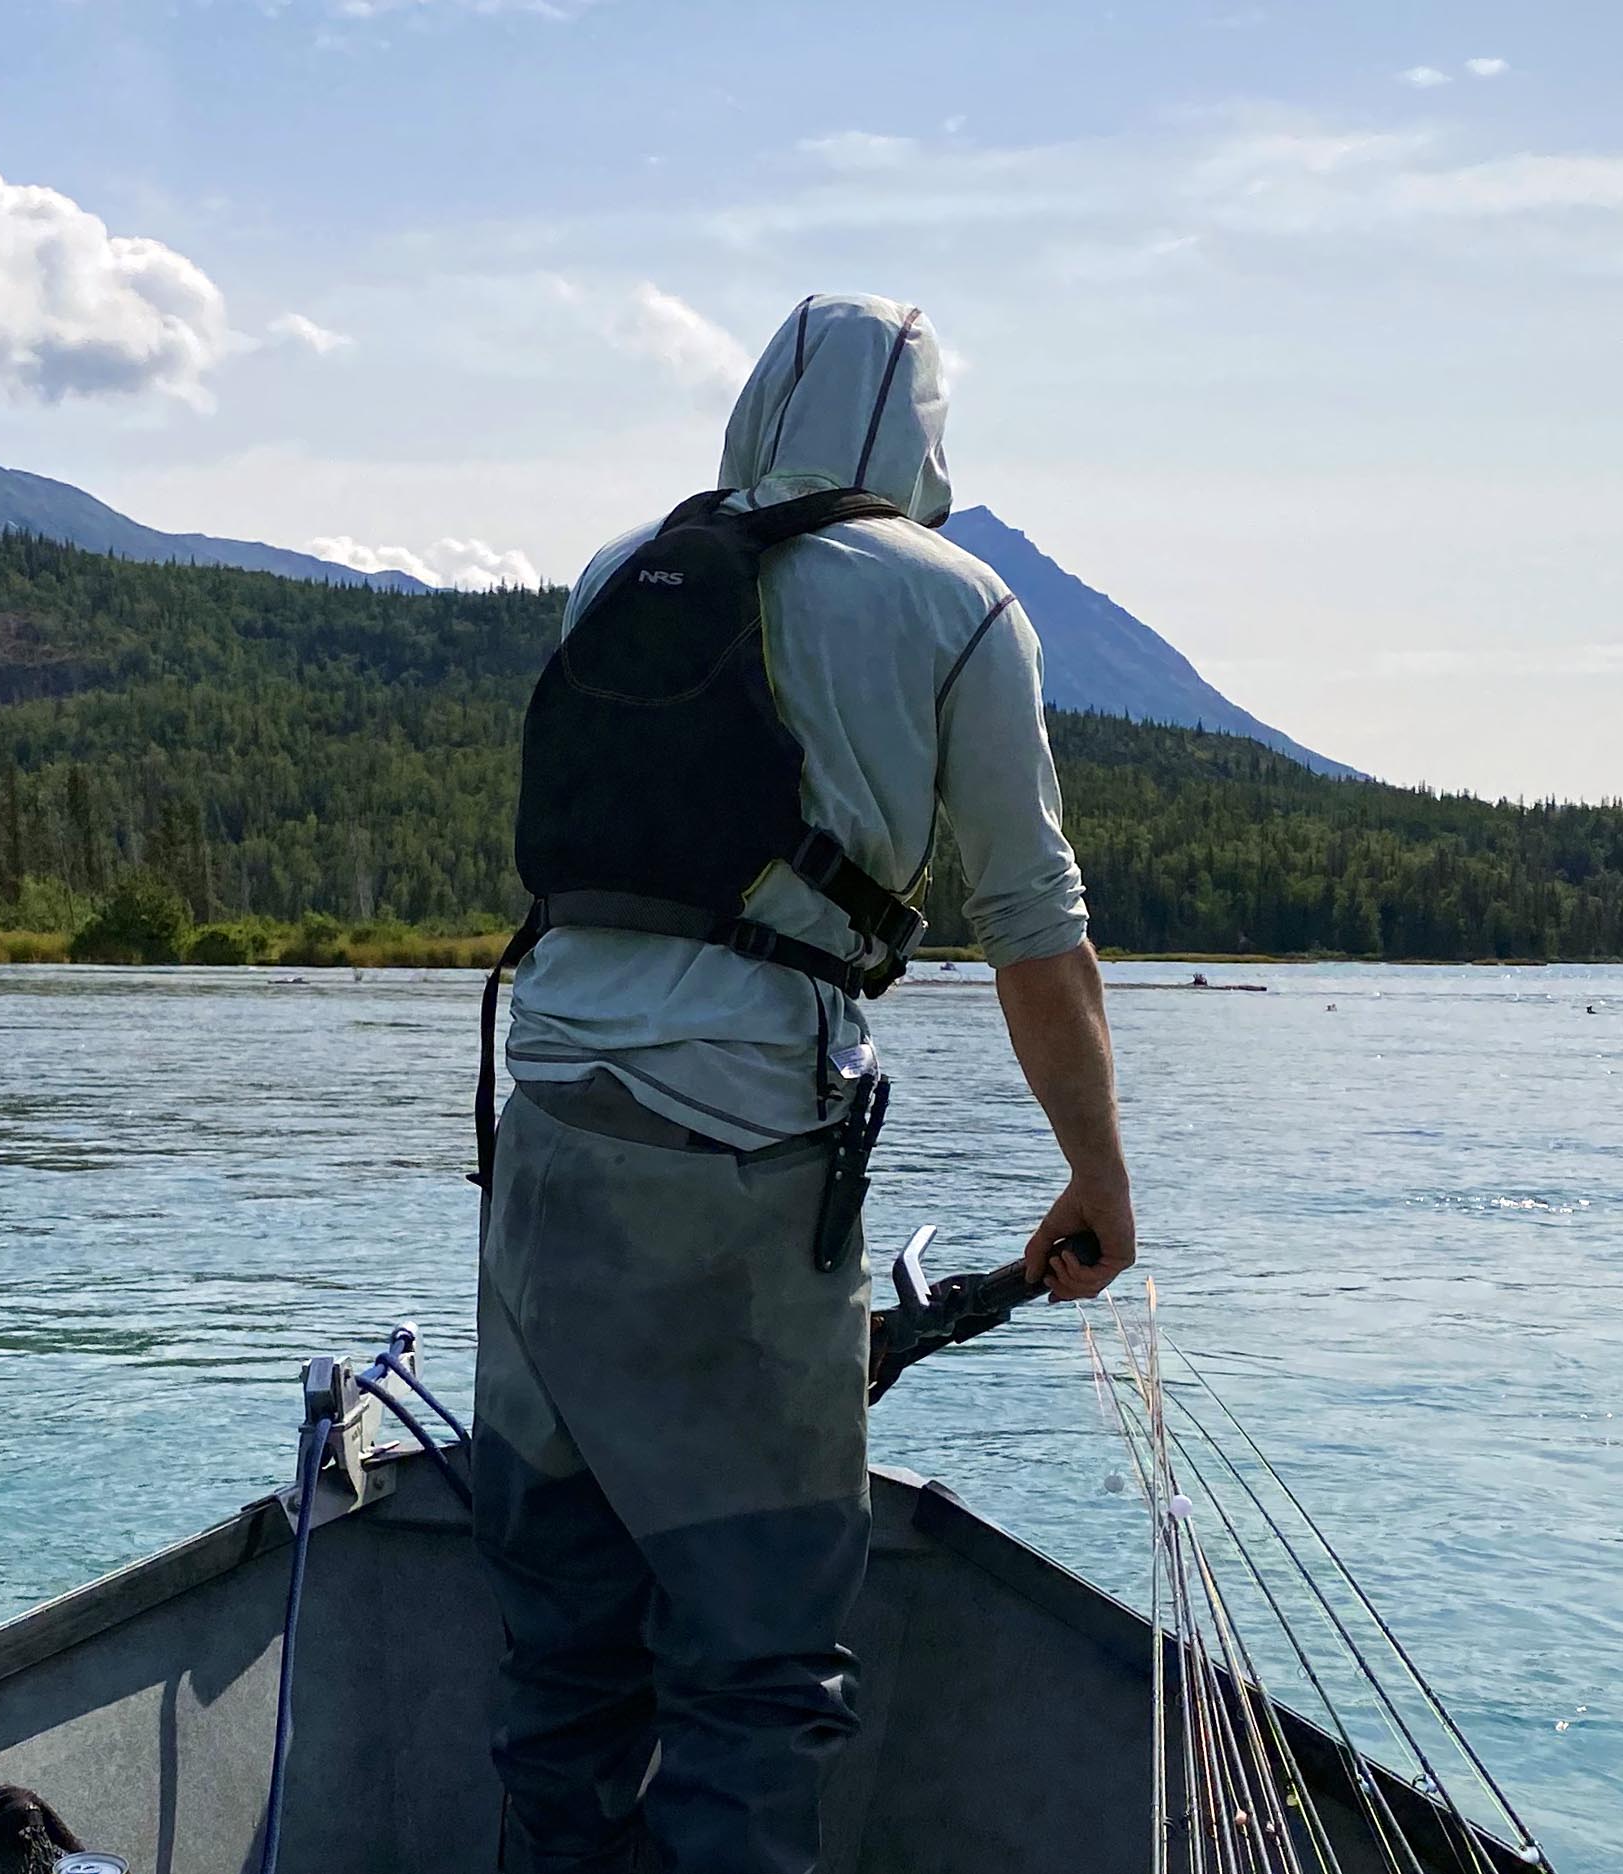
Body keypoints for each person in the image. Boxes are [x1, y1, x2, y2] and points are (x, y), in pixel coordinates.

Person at [471, 293, 1136, 1874]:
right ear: (923, 438)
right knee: (756, 1666)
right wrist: (1101, 1187)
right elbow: (1038, 938)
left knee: (563, 1657)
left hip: (540, 1130)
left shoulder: (621, 570)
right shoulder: (959, 602)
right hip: (741, 1154)